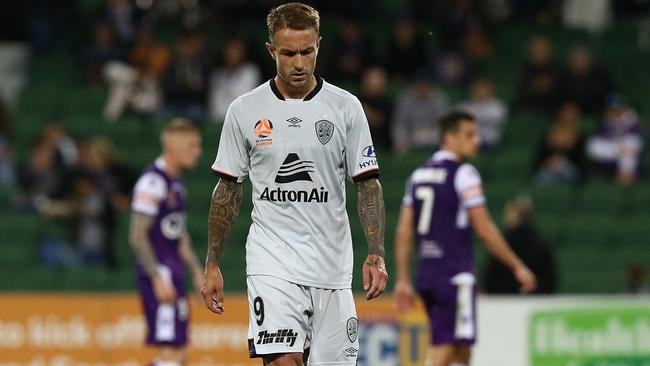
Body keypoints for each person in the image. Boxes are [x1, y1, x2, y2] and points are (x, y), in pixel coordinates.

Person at [201, 3, 388, 366]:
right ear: (272, 50)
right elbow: (227, 189)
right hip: (272, 261)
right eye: (288, 53)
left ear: (319, 44)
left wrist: (376, 250)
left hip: (332, 267)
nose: (299, 63)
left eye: (307, 51)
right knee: (285, 362)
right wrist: (212, 262)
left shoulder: (346, 108)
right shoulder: (245, 110)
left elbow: (367, 184)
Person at [393, 111, 537, 366]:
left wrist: (403, 278)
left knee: (462, 350)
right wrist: (517, 266)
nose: (477, 141)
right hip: (454, 275)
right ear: (449, 137)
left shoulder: (418, 176)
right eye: (469, 135)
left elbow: (404, 231)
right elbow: (484, 229)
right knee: (445, 349)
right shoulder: (464, 174)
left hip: (427, 274)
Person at [129, 119, 204, 366]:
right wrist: (157, 278)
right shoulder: (153, 182)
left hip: (174, 272)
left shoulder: (177, 183)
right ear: (173, 146)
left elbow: (177, 232)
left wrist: (195, 269)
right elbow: (137, 236)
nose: (198, 152)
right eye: (192, 146)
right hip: (162, 275)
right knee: (169, 353)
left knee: (179, 353)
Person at [483, 195, 557, 294]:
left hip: (504, 298)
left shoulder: (503, 243)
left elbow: (491, 276)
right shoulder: (540, 241)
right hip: (536, 298)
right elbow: (550, 279)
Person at [533, 102, 586, 184]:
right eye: (566, 113)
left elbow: (581, 161)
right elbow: (539, 158)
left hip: (571, 171)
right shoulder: (548, 135)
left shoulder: (580, 137)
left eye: (572, 114)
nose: (568, 117)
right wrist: (549, 162)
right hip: (549, 168)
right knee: (543, 176)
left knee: (562, 166)